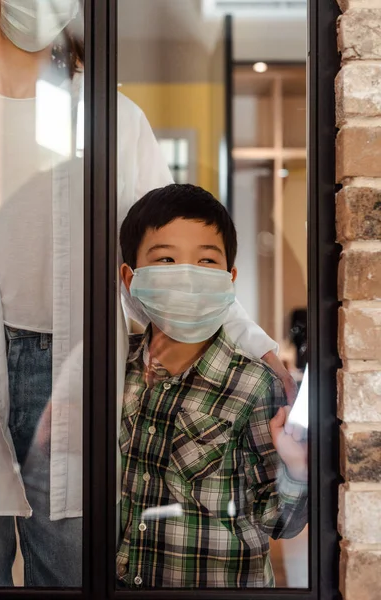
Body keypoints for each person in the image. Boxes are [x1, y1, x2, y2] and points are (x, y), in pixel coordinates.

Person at [0, 0, 295, 588]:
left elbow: (169, 253)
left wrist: (251, 341)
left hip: (78, 372)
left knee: (73, 570)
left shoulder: (109, 115)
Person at [117, 184, 308, 589]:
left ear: (230, 279)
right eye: (166, 259)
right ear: (130, 278)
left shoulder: (253, 385)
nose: (187, 277)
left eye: (206, 261)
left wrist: (297, 467)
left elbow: (279, 523)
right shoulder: (116, 371)